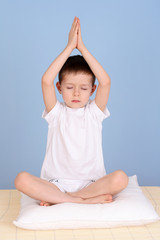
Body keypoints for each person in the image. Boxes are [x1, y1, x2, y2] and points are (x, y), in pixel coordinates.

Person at [14, 16, 128, 206]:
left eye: (83, 88)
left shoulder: (94, 113)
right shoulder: (56, 113)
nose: (76, 93)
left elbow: (105, 82)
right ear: (59, 88)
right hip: (56, 185)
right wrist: (69, 46)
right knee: (21, 179)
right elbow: (45, 81)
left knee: (121, 178)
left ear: (92, 90)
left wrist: (81, 47)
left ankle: (69, 199)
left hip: (92, 184)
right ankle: (82, 201)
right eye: (69, 87)